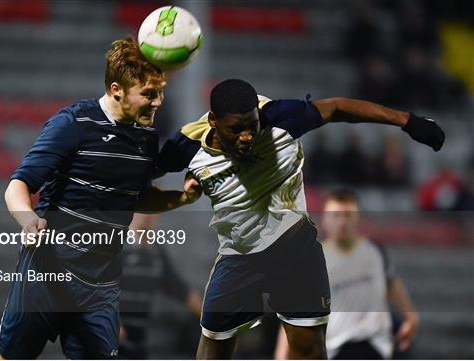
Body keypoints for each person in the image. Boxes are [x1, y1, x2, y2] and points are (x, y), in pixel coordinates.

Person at [156, 79, 444, 359]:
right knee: (211, 351)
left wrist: (408, 121)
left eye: (251, 126)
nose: (246, 136)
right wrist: (178, 197)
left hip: (293, 249)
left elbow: (338, 108)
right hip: (237, 257)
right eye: (236, 129)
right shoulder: (187, 146)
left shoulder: (282, 118)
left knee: (310, 352)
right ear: (214, 123)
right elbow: (141, 178)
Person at [0, 36, 201, 360]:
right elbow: (17, 185)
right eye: (148, 94)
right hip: (46, 275)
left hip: (100, 288)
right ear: (117, 89)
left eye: (160, 92)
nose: (159, 101)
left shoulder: (146, 139)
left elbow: (136, 197)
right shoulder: (73, 123)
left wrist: (180, 199)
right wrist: (27, 219)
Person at [274, 190, 419, 359]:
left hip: (375, 345)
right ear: (324, 221)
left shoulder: (375, 252)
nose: (342, 222)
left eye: (348, 215)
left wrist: (410, 316)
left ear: (358, 218)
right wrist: (281, 355)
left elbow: (391, 282)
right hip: (335, 348)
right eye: (335, 215)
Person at [118, 213, 202, 359]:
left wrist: (216, 324)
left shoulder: (156, 252)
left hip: (136, 343)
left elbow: (181, 290)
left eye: (151, 209)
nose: (145, 215)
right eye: (141, 208)